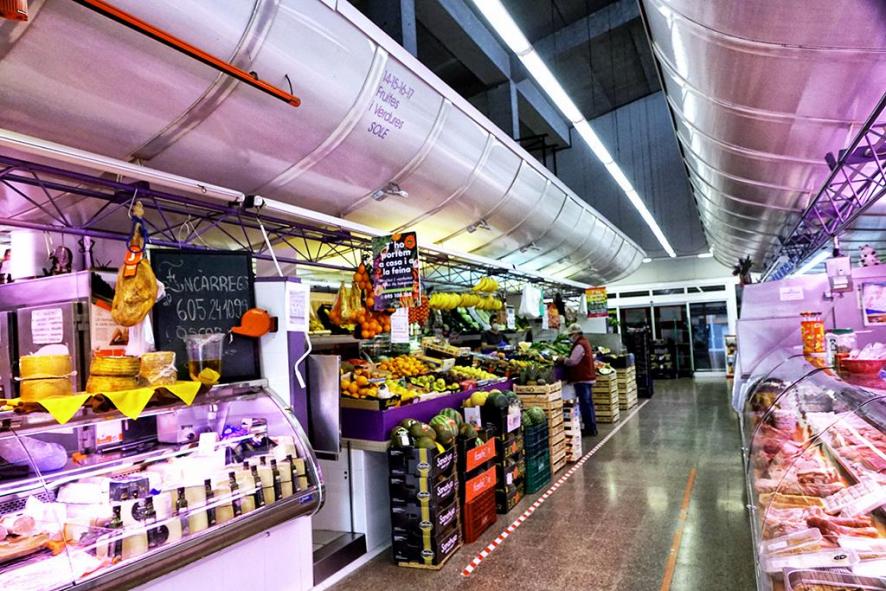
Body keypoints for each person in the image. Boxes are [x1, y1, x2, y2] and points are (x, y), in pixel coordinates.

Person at [560, 323, 597, 437]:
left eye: (570, 335)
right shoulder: (585, 342)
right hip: (586, 378)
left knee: (585, 404)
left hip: (582, 378)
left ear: (575, 334)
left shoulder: (580, 345)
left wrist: (563, 360)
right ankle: (592, 427)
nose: (570, 337)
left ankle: (589, 428)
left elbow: (572, 361)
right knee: (588, 403)